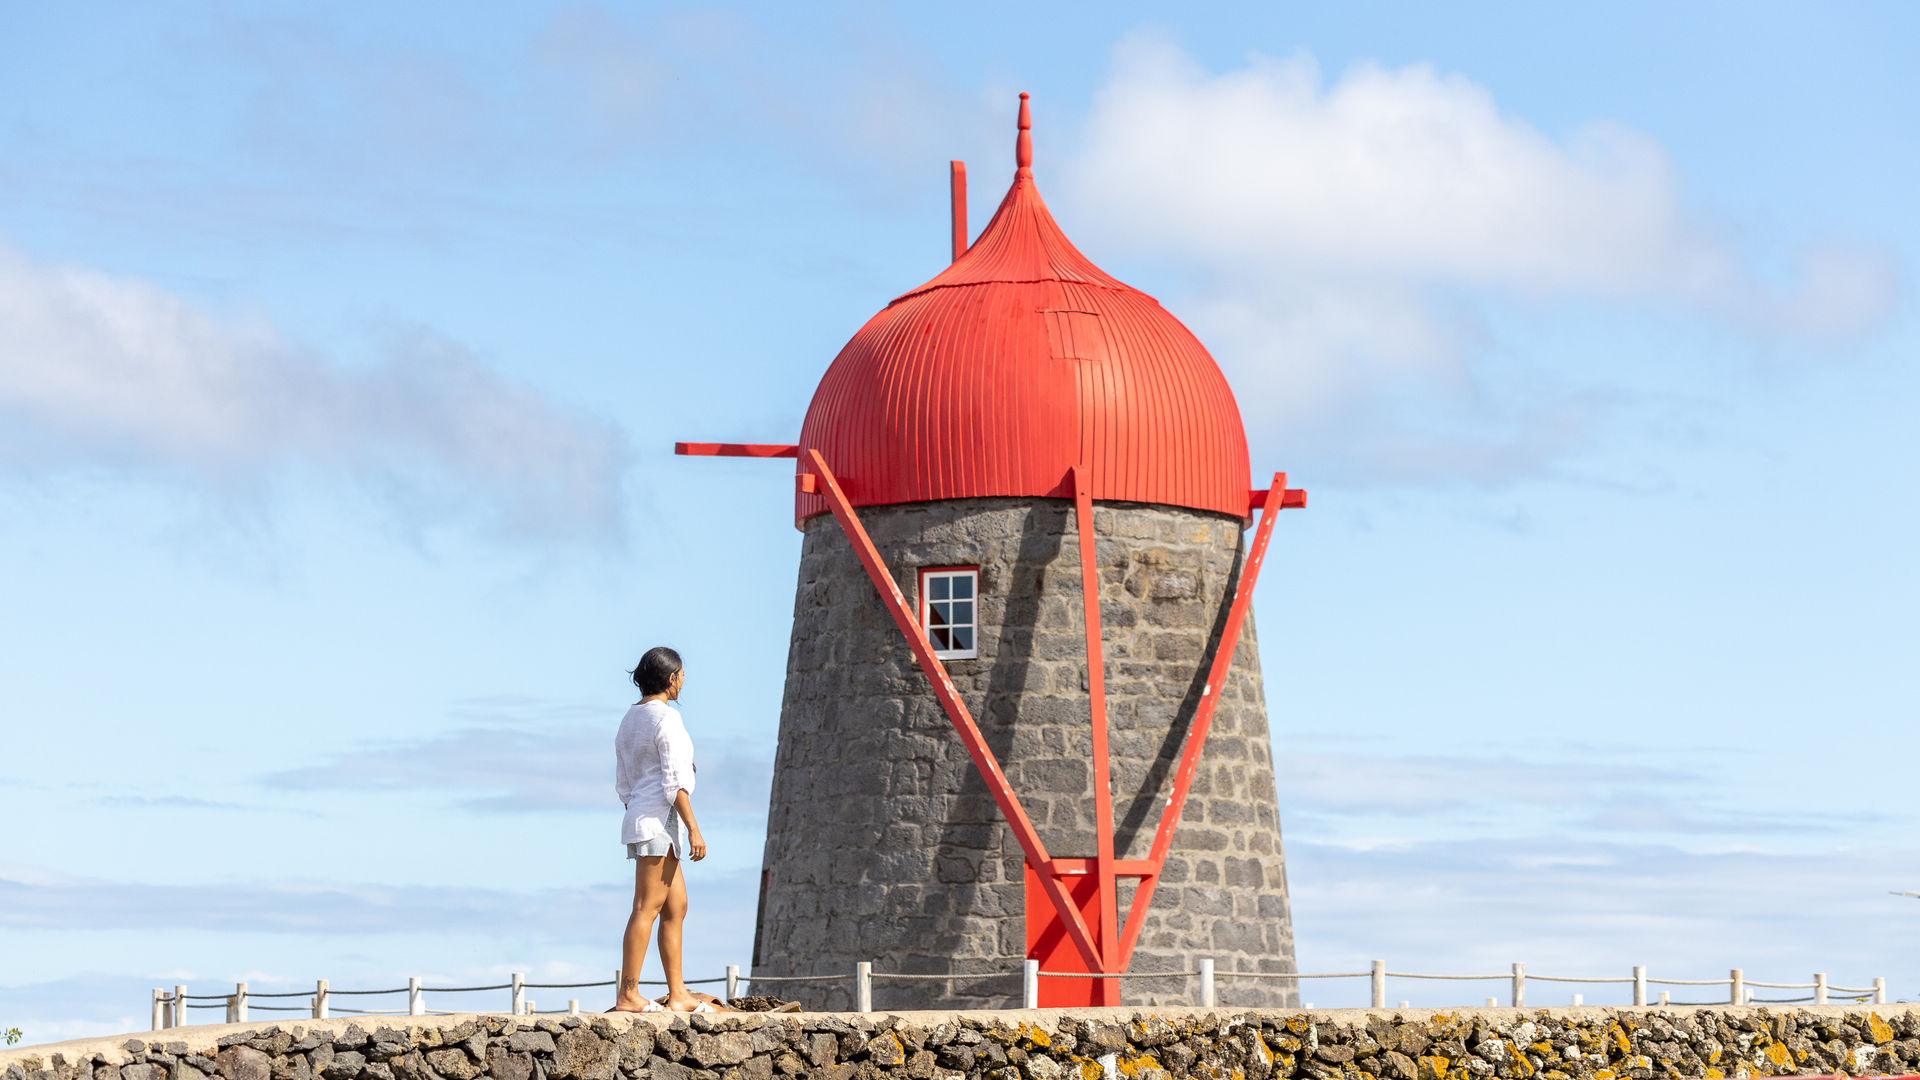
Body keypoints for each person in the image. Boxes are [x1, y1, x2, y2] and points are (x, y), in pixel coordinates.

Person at [609, 646, 720, 1013]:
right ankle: (628, 994)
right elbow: (675, 783)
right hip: (660, 819)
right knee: (647, 907)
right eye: (682, 676)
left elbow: (624, 783)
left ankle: (678, 994)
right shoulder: (666, 719)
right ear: (672, 679)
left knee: (676, 906)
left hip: (644, 816)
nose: (683, 682)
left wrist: (641, 812)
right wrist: (694, 829)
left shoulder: (630, 718)